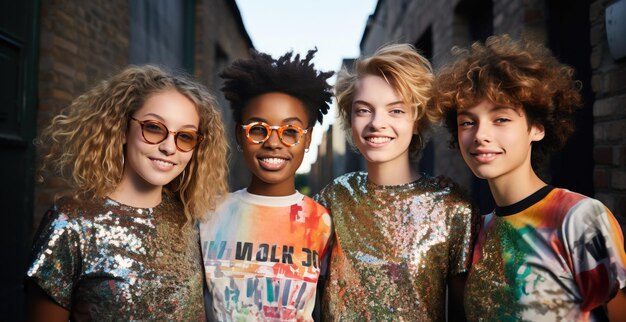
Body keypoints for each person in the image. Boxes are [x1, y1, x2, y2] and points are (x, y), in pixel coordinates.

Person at [432, 34, 626, 321]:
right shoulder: (478, 232)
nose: (480, 135)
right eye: (467, 122)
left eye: (501, 119)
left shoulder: (578, 218)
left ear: (536, 128)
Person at [25, 65, 229, 321]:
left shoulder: (188, 219)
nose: (169, 147)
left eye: (185, 136)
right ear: (122, 129)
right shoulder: (71, 224)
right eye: (154, 127)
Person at [314, 43, 477, 321]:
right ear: (349, 118)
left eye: (396, 111)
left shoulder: (452, 207)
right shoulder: (333, 198)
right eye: (363, 110)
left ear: (416, 119)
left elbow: (462, 314)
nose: (377, 123)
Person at [199, 49, 334, 321]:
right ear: (240, 134)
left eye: (291, 132)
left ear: (307, 141)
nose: (273, 142)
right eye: (258, 129)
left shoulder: (323, 222)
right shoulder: (208, 215)